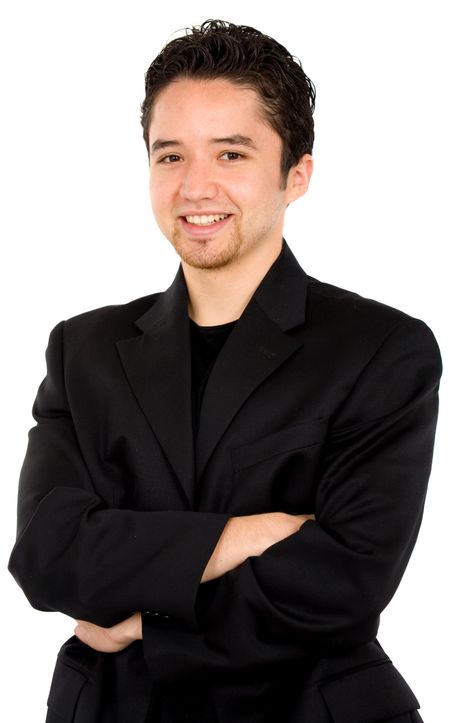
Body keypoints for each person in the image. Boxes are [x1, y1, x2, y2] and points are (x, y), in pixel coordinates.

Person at [8, 19, 441, 723]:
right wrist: (247, 534)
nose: (195, 187)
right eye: (170, 156)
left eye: (232, 154)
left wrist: (150, 620)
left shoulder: (383, 350)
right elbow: (49, 556)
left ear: (295, 174)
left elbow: (344, 582)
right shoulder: (81, 348)